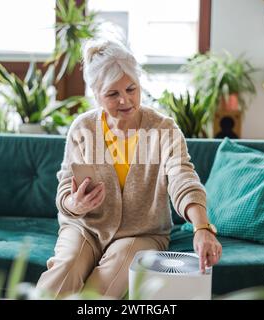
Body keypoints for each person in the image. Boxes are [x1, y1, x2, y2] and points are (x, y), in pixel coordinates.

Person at [36, 35, 222, 299]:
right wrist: (74, 204)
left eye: (131, 89)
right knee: (64, 270)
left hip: (142, 233)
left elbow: (183, 177)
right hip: (85, 227)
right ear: (97, 95)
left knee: (104, 284)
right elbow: (66, 187)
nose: (125, 100)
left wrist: (201, 227)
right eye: (113, 94)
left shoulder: (163, 129)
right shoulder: (83, 128)